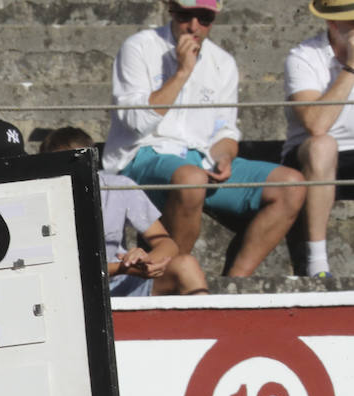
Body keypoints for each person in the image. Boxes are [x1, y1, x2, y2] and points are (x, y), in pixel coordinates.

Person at [102, 0, 305, 277]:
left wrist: (224, 156)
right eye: (186, 15)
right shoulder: (139, 47)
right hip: (142, 155)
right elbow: (137, 122)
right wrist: (182, 73)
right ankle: (173, 278)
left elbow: (224, 130)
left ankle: (235, 284)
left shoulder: (223, 62)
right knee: (191, 178)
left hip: (200, 160)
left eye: (205, 18)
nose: (194, 26)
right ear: (171, 11)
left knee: (292, 185)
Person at [42, 126, 208, 295]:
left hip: (118, 281)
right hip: (70, 291)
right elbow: (67, 272)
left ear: (93, 163)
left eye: (80, 163)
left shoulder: (117, 186)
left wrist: (145, 261)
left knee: (186, 266)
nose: (74, 173)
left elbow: (167, 244)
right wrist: (125, 268)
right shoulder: (42, 198)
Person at [283, 0, 354, 277]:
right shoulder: (303, 57)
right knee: (324, 145)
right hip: (308, 156)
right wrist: (350, 68)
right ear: (332, 24)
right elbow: (316, 125)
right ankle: (317, 264)